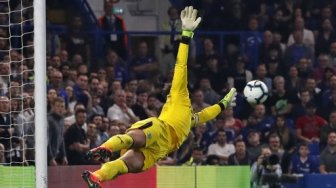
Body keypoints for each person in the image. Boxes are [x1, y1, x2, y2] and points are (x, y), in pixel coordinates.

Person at [82, 6, 237, 187]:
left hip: (159, 150)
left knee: (126, 165)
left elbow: (206, 114)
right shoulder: (180, 93)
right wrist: (186, 35)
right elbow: (181, 64)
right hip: (160, 129)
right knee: (133, 139)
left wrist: (224, 103)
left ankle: (97, 177)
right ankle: (105, 148)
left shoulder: (189, 118)